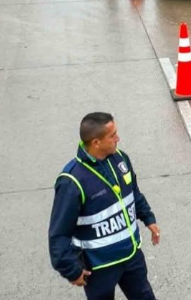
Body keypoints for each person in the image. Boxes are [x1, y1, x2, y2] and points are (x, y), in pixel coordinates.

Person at [49, 112, 160, 300]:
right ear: (96, 143)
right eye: (112, 135)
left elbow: (133, 192)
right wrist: (71, 270)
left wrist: (148, 218)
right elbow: (59, 233)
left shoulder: (121, 159)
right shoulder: (72, 181)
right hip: (99, 267)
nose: (118, 138)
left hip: (131, 256)